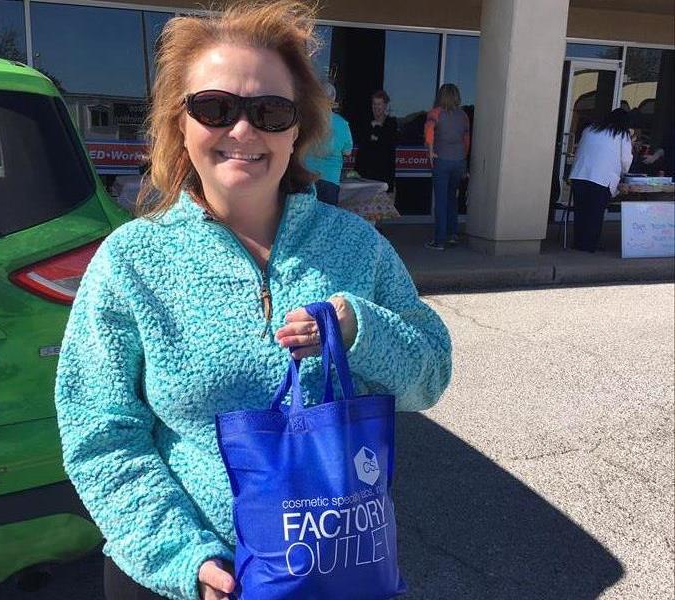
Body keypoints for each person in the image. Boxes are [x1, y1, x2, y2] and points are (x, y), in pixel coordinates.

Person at [53, 3, 453, 600]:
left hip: (331, 569)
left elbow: (430, 378)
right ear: (178, 124)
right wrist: (183, 555)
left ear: (298, 131)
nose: (243, 131)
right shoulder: (130, 261)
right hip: (185, 580)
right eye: (215, 108)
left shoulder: (356, 247)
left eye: (270, 112)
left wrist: (361, 329)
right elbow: (99, 432)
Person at [569, 108, 633, 252]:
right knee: (595, 213)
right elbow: (625, 160)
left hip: (580, 175)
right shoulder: (622, 134)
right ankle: (589, 245)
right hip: (601, 178)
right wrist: (624, 173)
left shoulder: (590, 129)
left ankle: (578, 243)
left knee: (581, 211)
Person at [424, 83, 470, 250]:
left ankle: (439, 240)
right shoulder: (463, 116)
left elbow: (429, 131)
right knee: (452, 199)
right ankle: (452, 235)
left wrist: (430, 151)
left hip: (442, 160)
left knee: (441, 201)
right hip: (458, 161)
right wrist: (463, 159)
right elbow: (466, 140)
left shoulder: (435, 113)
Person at [303, 82, 353, 205]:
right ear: (333, 100)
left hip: (306, 176)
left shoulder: (308, 119)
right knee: (326, 220)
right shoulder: (342, 124)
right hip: (330, 179)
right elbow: (347, 151)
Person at [354, 89, 398, 191]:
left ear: (385, 106)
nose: (376, 107)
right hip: (365, 176)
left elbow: (386, 146)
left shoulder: (391, 124)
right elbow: (363, 147)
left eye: (379, 104)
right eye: (374, 104)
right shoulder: (366, 123)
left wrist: (377, 130)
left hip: (384, 177)